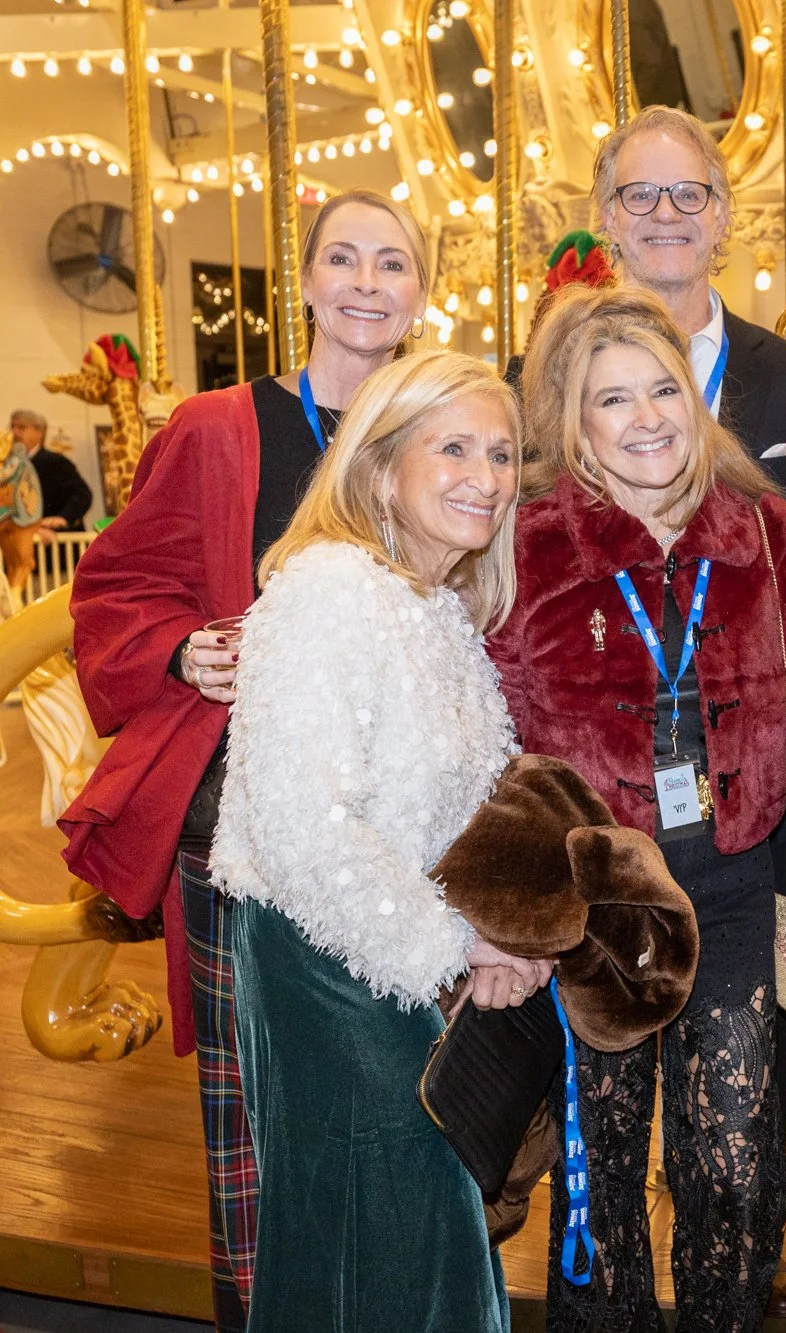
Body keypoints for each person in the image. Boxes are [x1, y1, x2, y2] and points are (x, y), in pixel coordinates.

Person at [61, 188, 432, 1333]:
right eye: (344, 260)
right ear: (308, 281)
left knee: (398, 1102)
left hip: (400, 826)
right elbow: (118, 583)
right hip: (244, 828)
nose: (367, 283)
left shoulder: (435, 424)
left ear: (423, 290)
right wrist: (179, 648)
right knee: (257, 1122)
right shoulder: (218, 428)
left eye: (393, 263)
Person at [492, 282, 786, 1332]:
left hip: (730, 881)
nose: (645, 418)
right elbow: (492, 742)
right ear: (572, 426)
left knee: (730, 1159)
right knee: (603, 1170)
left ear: (696, 396)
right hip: (597, 903)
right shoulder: (526, 542)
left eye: (662, 389)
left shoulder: (762, 529)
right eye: (610, 400)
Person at [210, 349, 539, 1332]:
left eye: (501, 453)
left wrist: (499, 940)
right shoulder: (325, 593)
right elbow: (302, 826)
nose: (484, 477)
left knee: (401, 1244)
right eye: (453, 449)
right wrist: (458, 945)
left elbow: (460, 818)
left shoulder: (436, 609)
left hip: (397, 959)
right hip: (320, 969)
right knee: (389, 1239)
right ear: (381, 462)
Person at [594, 105, 786, 491]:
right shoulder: (547, 377)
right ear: (610, 217)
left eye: (688, 194)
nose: (666, 213)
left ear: (720, 216)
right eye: (641, 195)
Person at [10, 409, 93, 532]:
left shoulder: (56, 462)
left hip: (57, 544)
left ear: (39, 432)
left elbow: (82, 494)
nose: (14, 432)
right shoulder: (10, 465)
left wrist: (63, 518)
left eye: (21, 428)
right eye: (12, 427)